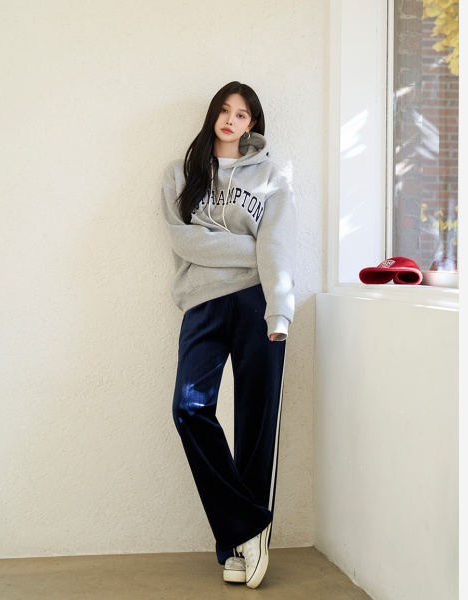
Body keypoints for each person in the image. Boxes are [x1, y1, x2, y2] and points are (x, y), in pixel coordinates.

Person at [160, 81, 297, 588]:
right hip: (202, 301)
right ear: (212, 115)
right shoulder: (181, 173)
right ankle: (249, 525)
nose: (231, 120)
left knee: (257, 421)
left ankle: (241, 547)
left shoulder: (272, 176)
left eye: (241, 114)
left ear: (251, 124)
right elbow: (184, 240)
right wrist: (252, 248)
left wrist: (280, 311)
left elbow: (279, 244)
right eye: (224, 110)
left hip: (259, 303)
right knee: (189, 409)